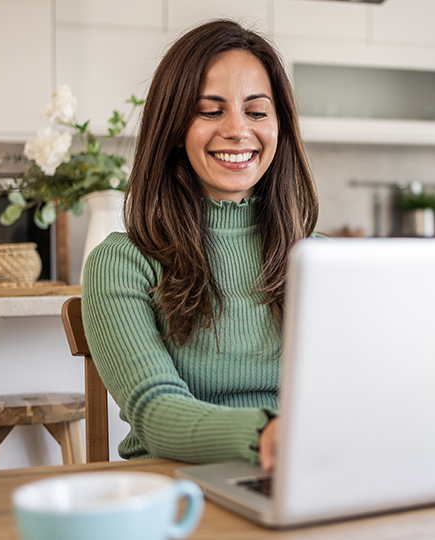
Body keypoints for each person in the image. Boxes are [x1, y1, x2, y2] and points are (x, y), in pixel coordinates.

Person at [81, 19, 319, 472]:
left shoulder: (321, 261)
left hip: (302, 475)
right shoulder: (122, 263)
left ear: (280, 127)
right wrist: (266, 435)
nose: (236, 130)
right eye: (210, 111)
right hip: (172, 485)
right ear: (172, 127)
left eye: (256, 111)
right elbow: (154, 410)